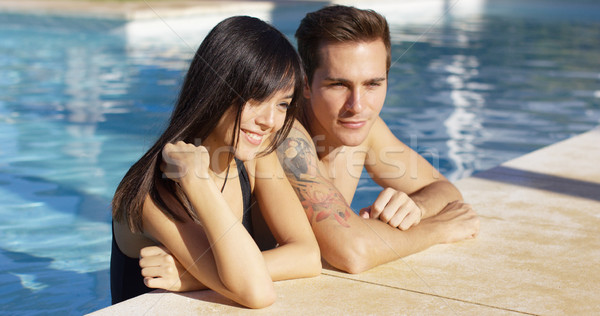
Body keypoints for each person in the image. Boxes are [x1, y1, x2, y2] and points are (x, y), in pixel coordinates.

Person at [140, 5, 479, 287]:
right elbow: (352, 252)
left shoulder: (364, 127)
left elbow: (444, 189)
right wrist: (438, 229)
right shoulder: (280, 138)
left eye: (373, 83)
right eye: (338, 85)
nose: (358, 105)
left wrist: (416, 208)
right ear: (305, 84)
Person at [110, 16, 320, 309]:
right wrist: (197, 182)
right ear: (217, 88)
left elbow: (309, 255)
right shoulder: (151, 193)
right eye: (257, 98)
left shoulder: (257, 157)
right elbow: (256, 291)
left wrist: (191, 276)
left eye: (282, 104)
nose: (270, 121)